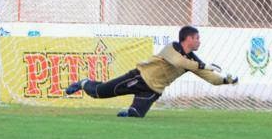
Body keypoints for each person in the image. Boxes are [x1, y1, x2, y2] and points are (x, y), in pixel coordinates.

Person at [66, 26, 238, 118]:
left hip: (153, 90)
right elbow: (178, 61)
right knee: (99, 92)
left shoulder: (194, 62)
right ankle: (84, 83)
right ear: (188, 39)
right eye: (197, 38)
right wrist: (204, 66)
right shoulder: (172, 48)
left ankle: (130, 111)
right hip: (139, 77)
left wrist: (226, 80)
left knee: (135, 116)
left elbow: (211, 79)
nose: (199, 41)